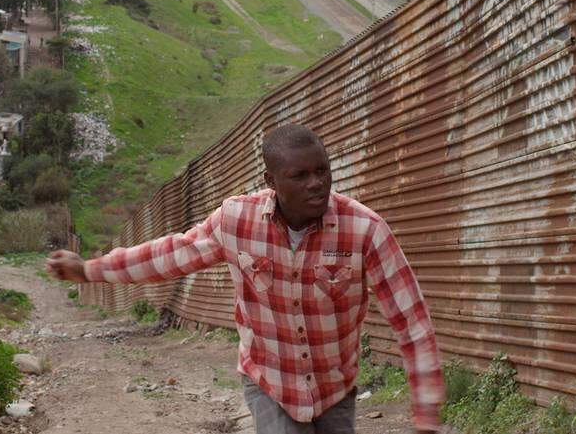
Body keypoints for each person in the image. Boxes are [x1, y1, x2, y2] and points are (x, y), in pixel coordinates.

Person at [47, 123, 444, 433]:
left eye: (322, 171)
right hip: (270, 381)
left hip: (335, 387)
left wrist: (425, 413)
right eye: (300, 175)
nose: (316, 183)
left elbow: (411, 321)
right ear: (271, 183)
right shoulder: (237, 221)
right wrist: (89, 269)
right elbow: (170, 255)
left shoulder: (365, 230)